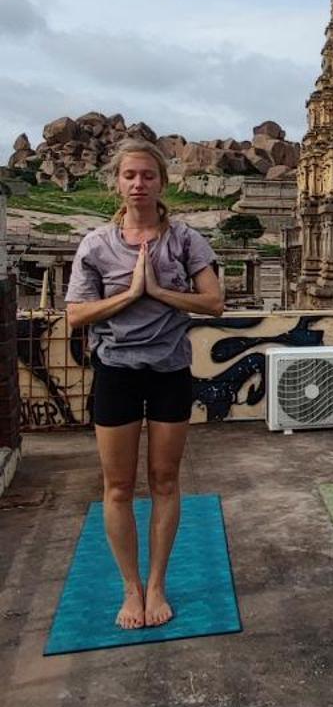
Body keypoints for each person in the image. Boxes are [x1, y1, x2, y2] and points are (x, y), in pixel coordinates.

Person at [66, 140, 224, 629]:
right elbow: (75, 315)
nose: (139, 184)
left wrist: (159, 291)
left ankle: (157, 582)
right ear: (118, 181)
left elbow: (214, 303)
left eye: (148, 176)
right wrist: (131, 294)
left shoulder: (184, 241)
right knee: (117, 486)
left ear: (162, 183)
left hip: (169, 372)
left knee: (165, 481)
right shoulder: (96, 244)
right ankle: (130, 588)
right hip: (116, 371)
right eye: (130, 176)